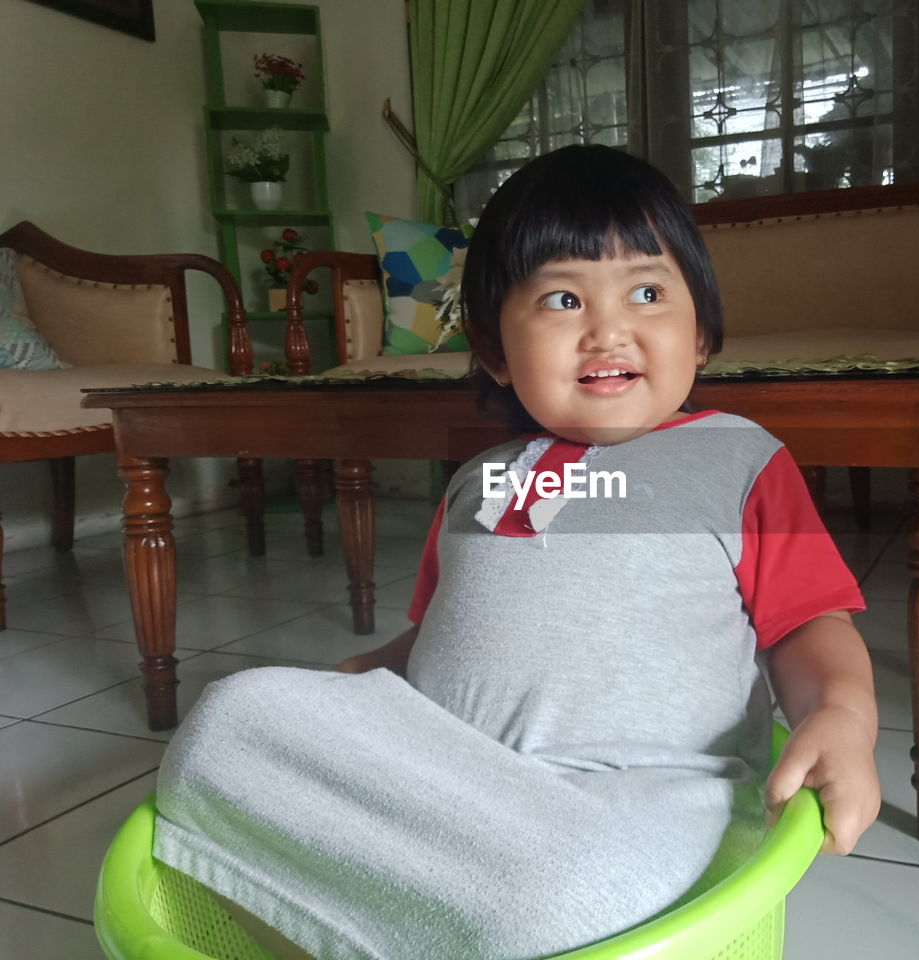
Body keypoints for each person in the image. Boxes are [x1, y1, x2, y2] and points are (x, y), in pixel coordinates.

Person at [154, 144, 880, 960]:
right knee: (231, 715)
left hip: (633, 804)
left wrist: (842, 716)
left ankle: (452, 912)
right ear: (496, 350)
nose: (609, 328)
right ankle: (442, 914)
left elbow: (806, 621)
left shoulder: (738, 459)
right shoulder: (477, 482)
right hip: (447, 791)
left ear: (703, 333)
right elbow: (431, 642)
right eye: (564, 298)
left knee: (563, 893)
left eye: (647, 291)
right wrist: (350, 686)